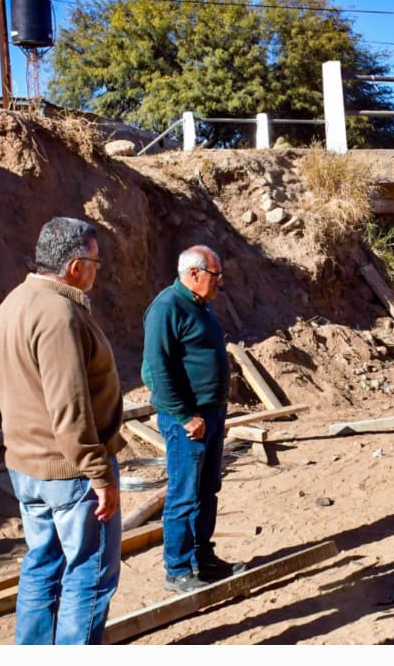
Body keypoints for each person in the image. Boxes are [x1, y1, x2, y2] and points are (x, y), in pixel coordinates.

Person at [0, 217, 124, 645]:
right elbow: (70, 406)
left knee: (42, 564)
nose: (97, 272)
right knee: (89, 574)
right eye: (95, 263)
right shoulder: (58, 314)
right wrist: (98, 473)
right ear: (74, 266)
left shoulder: (14, 302)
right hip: (69, 471)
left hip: (27, 464)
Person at [141, 245, 245, 593]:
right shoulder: (167, 307)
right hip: (188, 420)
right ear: (195, 274)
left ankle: (203, 558)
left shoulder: (200, 306)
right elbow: (157, 370)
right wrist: (185, 415)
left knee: (207, 489)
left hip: (211, 415)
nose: (220, 282)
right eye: (215, 275)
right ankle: (178, 569)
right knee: (184, 494)